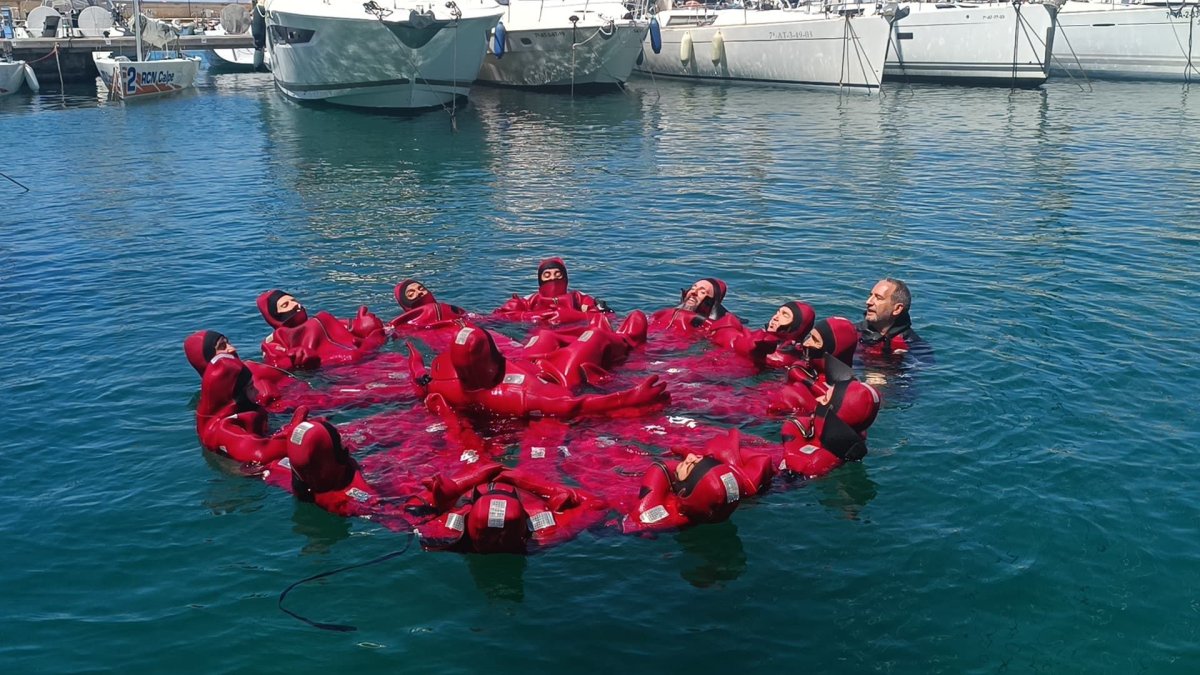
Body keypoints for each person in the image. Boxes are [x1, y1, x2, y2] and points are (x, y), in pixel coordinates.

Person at [406, 325, 667, 419]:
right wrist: (629, 397)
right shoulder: (515, 396)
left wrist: (412, 354)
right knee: (595, 335)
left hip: (525, 362)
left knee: (544, 334)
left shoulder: (443, 375)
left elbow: (419, 377)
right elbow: (574, 406)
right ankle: (629, 339)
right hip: (558, 376)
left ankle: (574, 334)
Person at [414, 461, 606, 554]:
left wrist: (461, 483)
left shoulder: (445, 530)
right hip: (524, 484)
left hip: (470, 485)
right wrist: (535, 484)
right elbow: (597, 504)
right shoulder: (546, 532)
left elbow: (410, 510)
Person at [622, 428, 774, 534]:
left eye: (690, 466)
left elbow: (659, 468)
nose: (689, 458)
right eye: (698, 459)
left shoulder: (654, 518)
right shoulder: (719, 506)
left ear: (683, 492)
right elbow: (763, 461)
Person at [256, 289, 386, 369]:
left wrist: (365, 324)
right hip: (339, 369)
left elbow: (352, 326)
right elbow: (276, 364)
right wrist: (295, 358)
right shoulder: (275, 340)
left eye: (293, 300)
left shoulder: (322, 318)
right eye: (286, 305)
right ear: (274, 315)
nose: (295, 304)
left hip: (369, 355)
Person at [184, 329, 296, 407]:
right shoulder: (206, 406)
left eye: (228, 343)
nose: (232, 348)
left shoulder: (255, 370)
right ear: (207, 359)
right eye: (222, 347)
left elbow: (297, 384)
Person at [494, 257, 609, 324]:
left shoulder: (578, 297)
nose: (553, 278)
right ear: (540, 279)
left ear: (565, 278)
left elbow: (605, 317)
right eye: (547, 275)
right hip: (540, 334)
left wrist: (573, 316)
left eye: (558, 274)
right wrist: (534, 316)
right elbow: (500, 315)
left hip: (574, 332)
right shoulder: (531, 300)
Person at [857, 278, 924, 360]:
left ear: (897, 309)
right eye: (871, 295)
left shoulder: (915, 347)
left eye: (878, 298)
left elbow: (924, 367)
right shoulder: (853, 331)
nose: (868, 301)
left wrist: (898, 362)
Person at [650, 277, 743, 334]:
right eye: (693, 288)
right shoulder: (663, 314)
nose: (694, 292)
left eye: (702, 292)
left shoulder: (710, 328)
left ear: (711, 303)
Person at [389, 279, 466, 330]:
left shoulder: (452, 310)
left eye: (421, 289)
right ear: (404, 303)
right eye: (411, 294)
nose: (419, 292)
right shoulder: (403, 326)